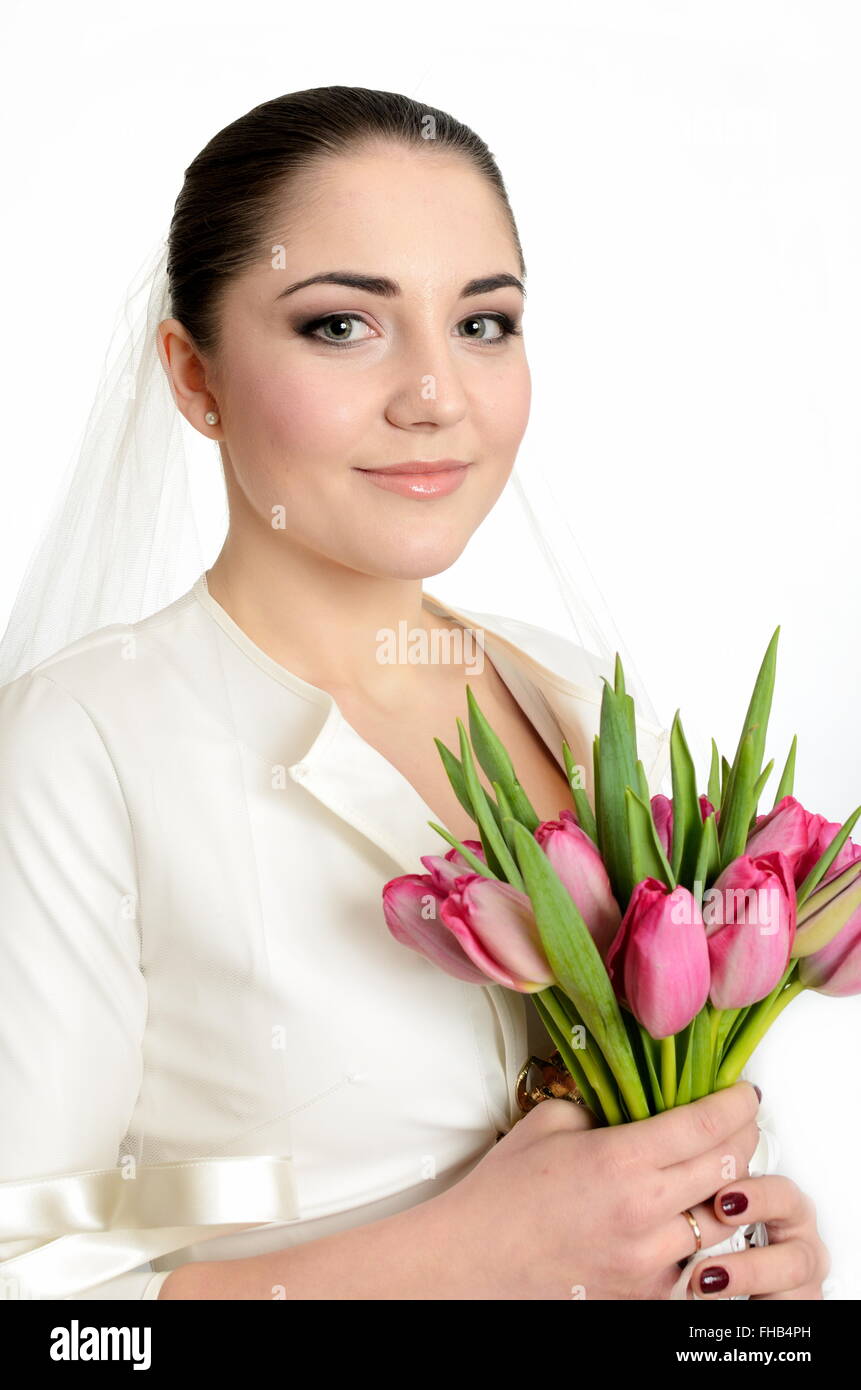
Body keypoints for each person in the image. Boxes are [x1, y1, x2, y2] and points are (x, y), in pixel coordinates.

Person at [0, 86, 830, 1301]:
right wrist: (463, 1261)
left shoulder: (570, 694)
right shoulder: (88, 742)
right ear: (193, 374)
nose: (437, 394)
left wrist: (753, 1277)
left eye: (484, 324)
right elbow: (41, 1290)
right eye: (343, 325)